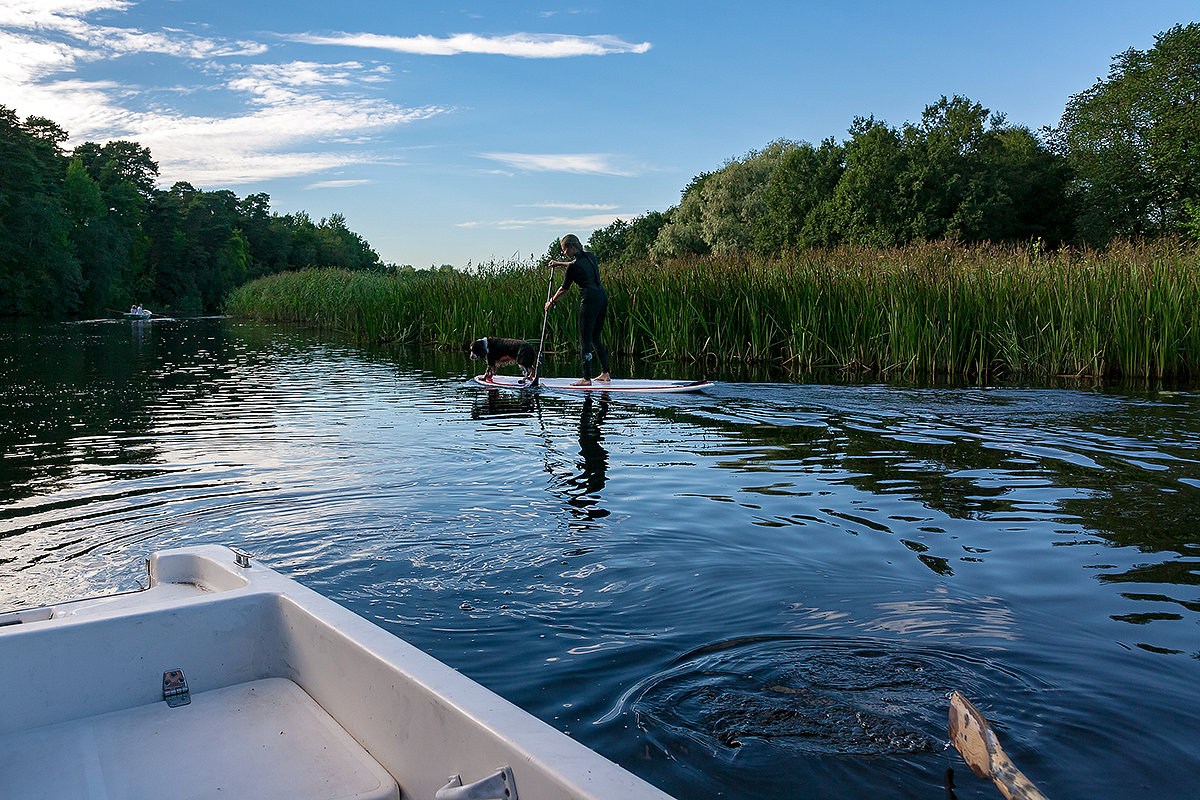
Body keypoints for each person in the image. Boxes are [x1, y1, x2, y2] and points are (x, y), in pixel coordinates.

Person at [546, 234, 611, 386]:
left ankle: (586, 378)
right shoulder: (591, 256)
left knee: (584, 340)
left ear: (572, 247)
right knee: (596, 337)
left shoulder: (573, 266)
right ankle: (605, 373)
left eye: (564, 250)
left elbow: (564, 289)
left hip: (589, 301)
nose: (563, 253)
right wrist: (559, 264)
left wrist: (551, 302)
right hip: (602, 298)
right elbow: (575, 263)